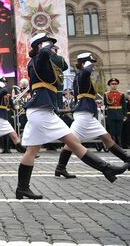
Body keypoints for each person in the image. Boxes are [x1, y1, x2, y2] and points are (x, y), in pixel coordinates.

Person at [16, 33, 128, 200]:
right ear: (39, 46)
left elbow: (64, 66)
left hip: (42, 110)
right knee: (73, 142)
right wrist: (46, 48)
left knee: (32, 150)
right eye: (48, 44)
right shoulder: (38, 60)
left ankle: (22, 188)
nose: (53, 47)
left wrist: (51, 49)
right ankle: (106, 168)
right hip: (41, 111)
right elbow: (45, 54)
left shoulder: (45, 61)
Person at [54, 53, 130, 178]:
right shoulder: (82, 75)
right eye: (91, 63)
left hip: (87, 113)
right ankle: (60, 168)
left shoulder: (81, 76)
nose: (93, 66)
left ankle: (127, 159)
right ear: (85, 63)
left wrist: (89, 64)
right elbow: (86, 72)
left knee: (106, 137)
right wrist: (88, 65)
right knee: (71, 143)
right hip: (83, 114)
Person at [105, 78, 126, 145]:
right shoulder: (106, 94)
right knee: (112, 132)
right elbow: (105, 105)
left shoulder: (121, 94)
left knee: (119, 132)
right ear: (110, 85)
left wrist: (125, 115)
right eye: (112, 84)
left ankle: (120, 146)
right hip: (111, 114)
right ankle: (114, 147)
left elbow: (124, 106)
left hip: (119, 114)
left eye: (115, 84)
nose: (114, 85)